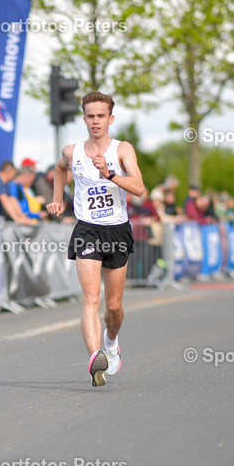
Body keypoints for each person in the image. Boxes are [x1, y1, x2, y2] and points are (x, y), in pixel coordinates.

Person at [47, 91, 145, 387]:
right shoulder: (71, 151)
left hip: (117, 230)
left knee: (113, 307)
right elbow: (59, 170)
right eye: (90, 116)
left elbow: (139, 188)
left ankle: (111, 341)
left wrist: (110, 173)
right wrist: (57, 199)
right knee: (91, 298)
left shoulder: (122, 149)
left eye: (101, 116)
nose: (95, 121)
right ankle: (95, 358)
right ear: (84, 118)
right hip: (87, 229)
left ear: (110, 118)